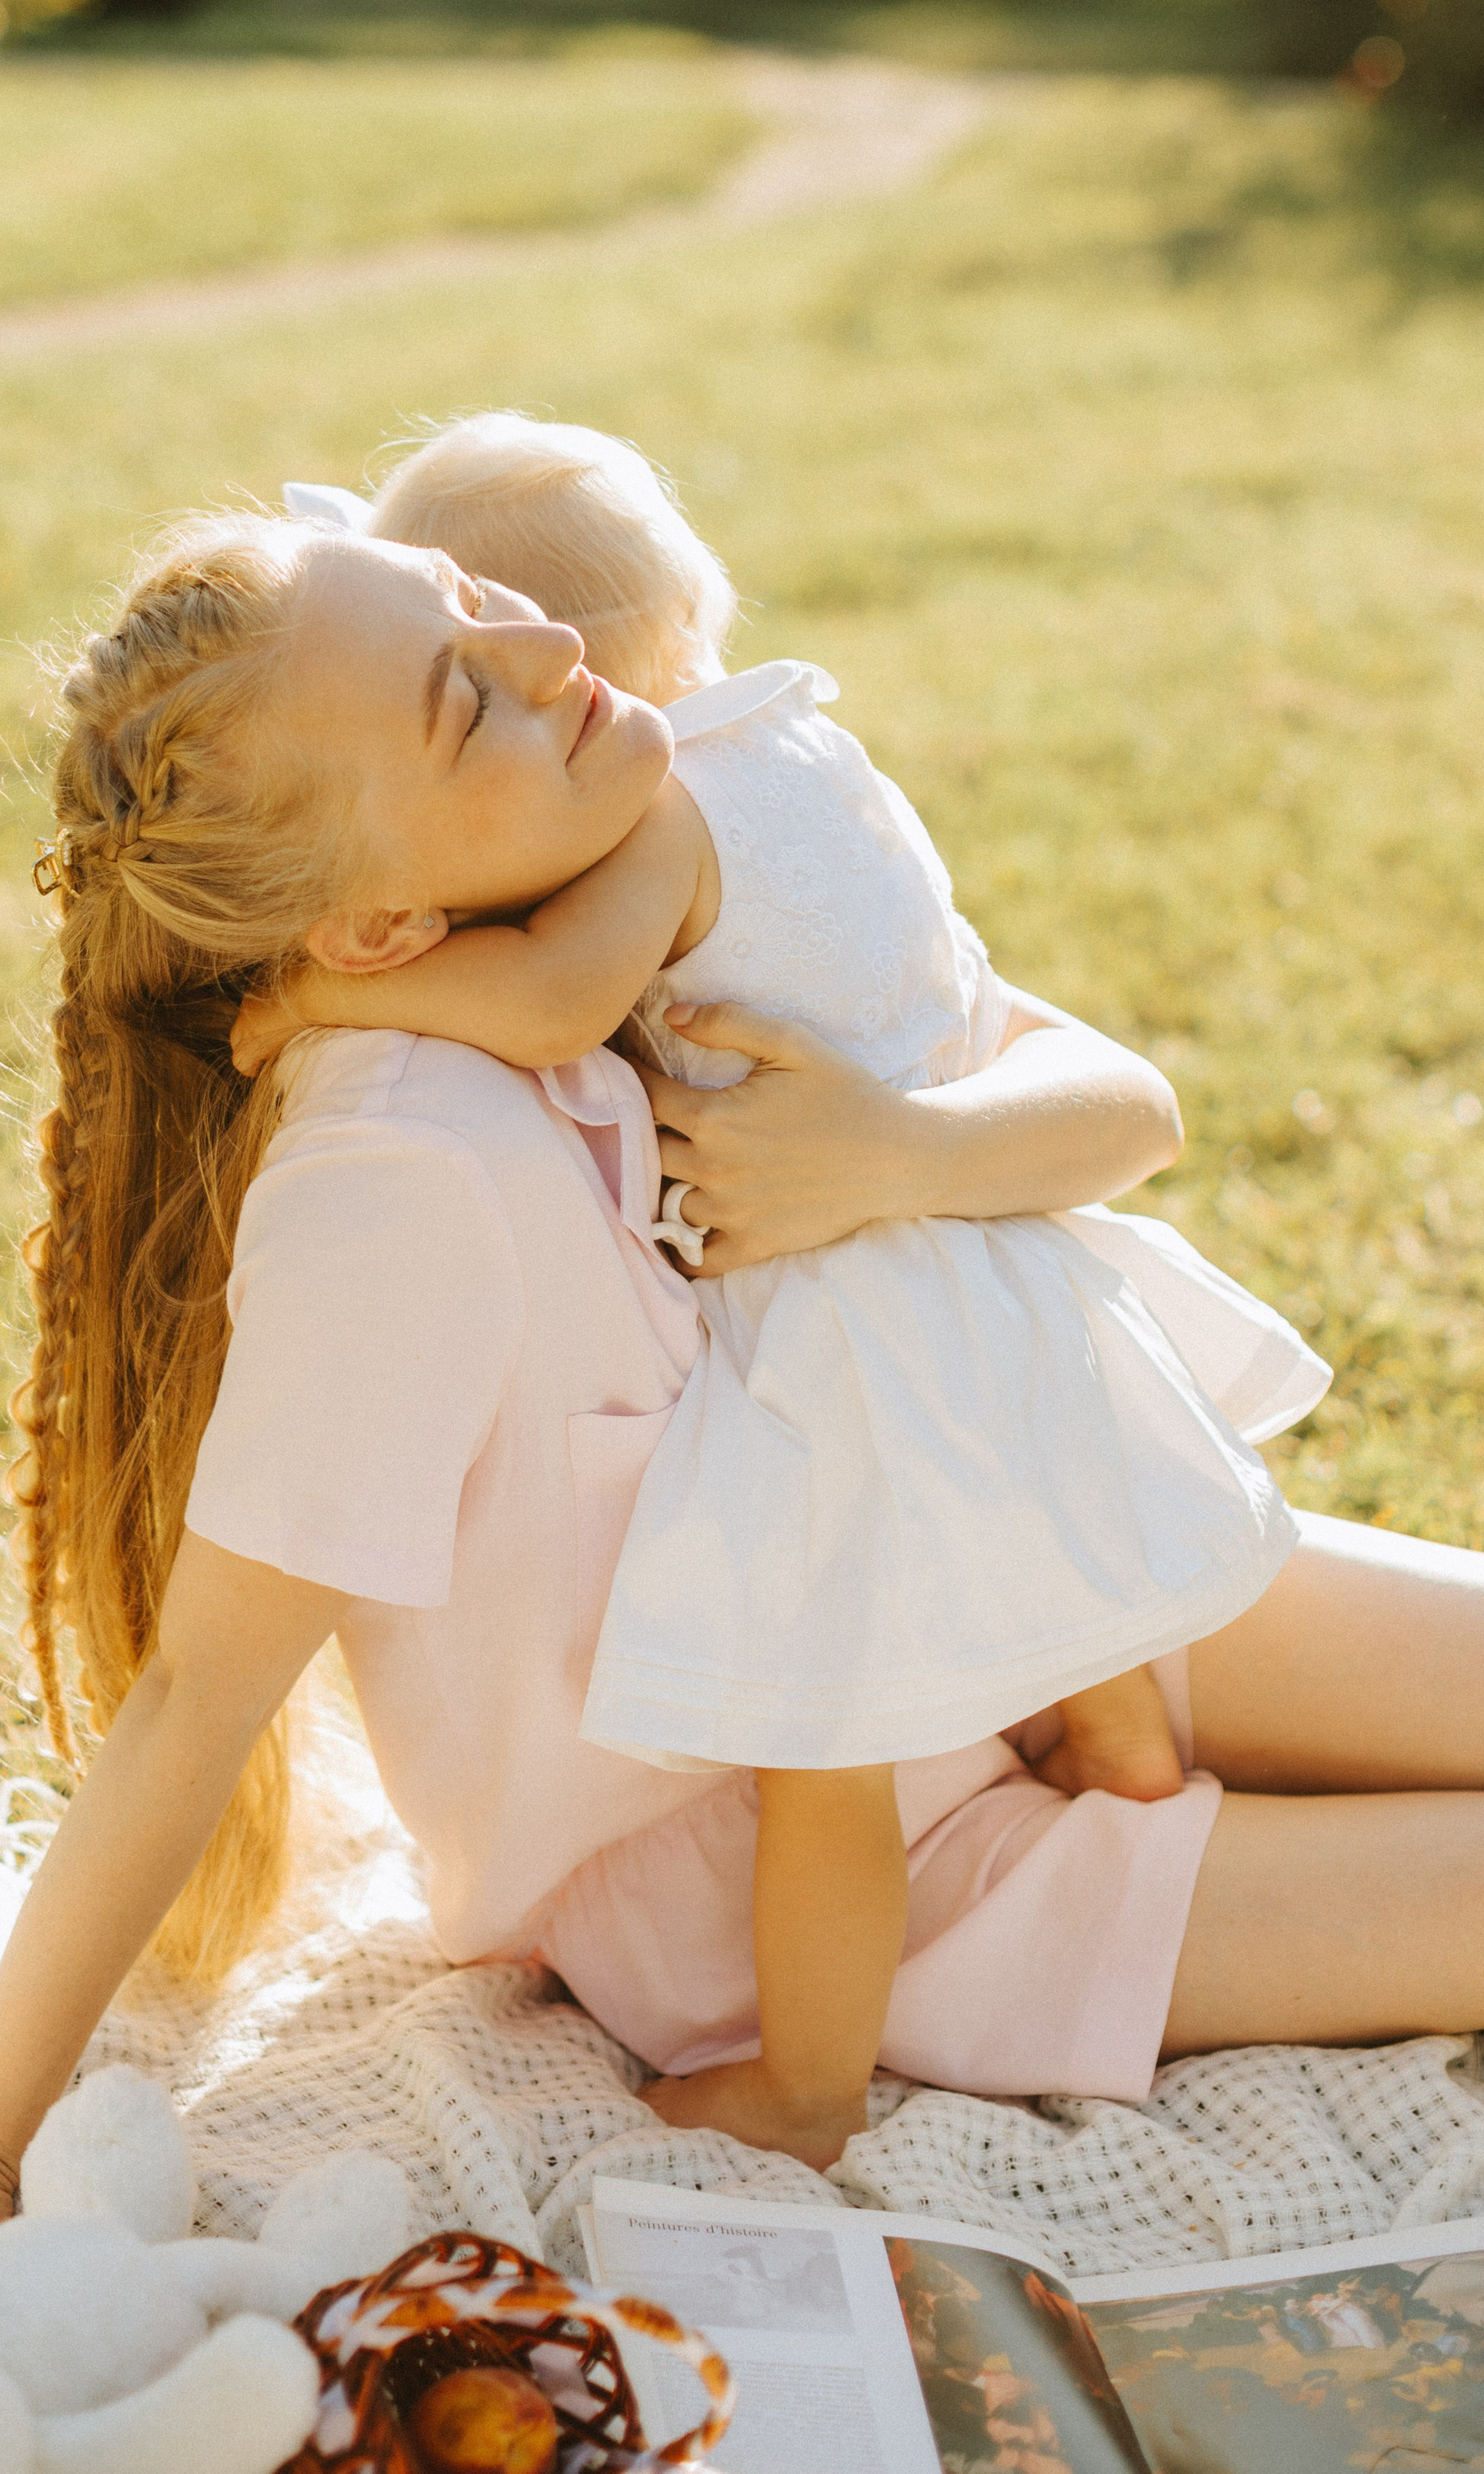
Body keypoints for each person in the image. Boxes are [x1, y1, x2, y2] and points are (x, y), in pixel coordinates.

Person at [0, 498, 1484, 2287]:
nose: (541, 650)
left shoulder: (628, 867)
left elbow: (1098, 1092)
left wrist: (900, 1149)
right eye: (462, 698)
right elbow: (203, 1689)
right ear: (366, 936)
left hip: (1013, 1572)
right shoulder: (395, 1175)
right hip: (851, 1862)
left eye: (464, 593)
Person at [235, 418, 1326, 2169]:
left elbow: (535, 1004)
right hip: (1011, 1272)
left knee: (828, 1744)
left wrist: (322, 1002)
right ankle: (1120, 1773)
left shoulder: (667, 823)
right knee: (1074, 1549)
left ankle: (805, 2086)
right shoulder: (823, 752)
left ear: (561, 668)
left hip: (862, 1305)